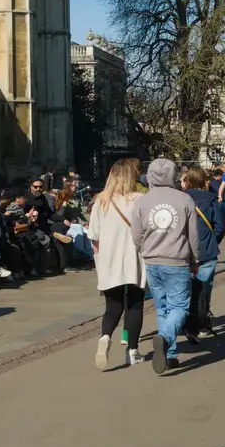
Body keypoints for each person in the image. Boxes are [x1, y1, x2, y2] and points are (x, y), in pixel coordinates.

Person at [131, 158, 200, 375]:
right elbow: (193, 236)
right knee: (180, 307)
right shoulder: (184, 199)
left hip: (152, 260)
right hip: (177, 259)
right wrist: (195, 259)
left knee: (163, 308)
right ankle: (166, 338)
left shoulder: (142, 202)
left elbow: (136, 234)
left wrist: (144, 249)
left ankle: (170, 355)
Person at [88, 158, 146, 371]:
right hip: (134, 258)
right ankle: (132, 350)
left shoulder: (100, 201)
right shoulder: (139, 199)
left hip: (109, 259)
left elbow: (93, 235)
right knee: (135, 304)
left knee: (112, 307)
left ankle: (105, 336)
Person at [182, 166, 224, 341]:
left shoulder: (181, 200)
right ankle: (202, 323)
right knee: (204, 290)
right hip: (206, 251)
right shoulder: (213, 201)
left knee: (186, 290)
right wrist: (212, 239)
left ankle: (187, 324)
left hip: (184, 252)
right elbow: (221, 226)